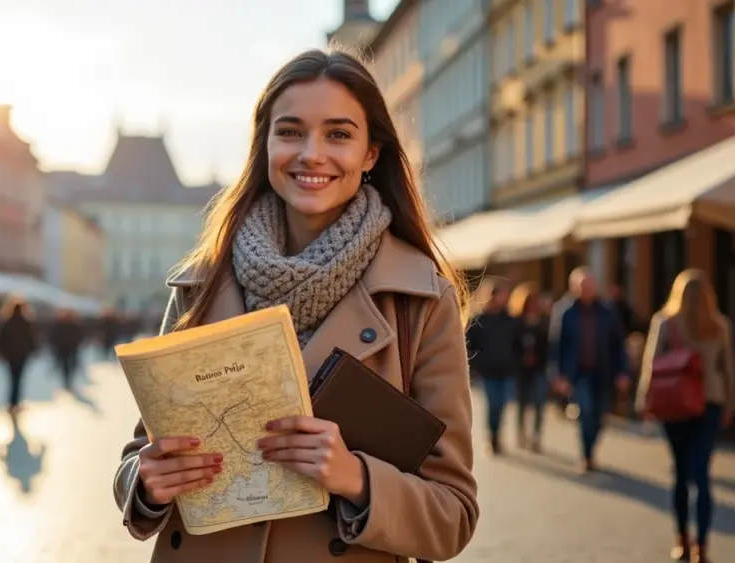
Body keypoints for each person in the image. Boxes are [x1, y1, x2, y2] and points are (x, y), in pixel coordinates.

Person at [111, 48, 478, 563]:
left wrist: (355, 477)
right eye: (290, 132)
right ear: (265, 145)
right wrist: (148, 482)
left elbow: (453, 515)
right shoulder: (202, 283)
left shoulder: (421, 300)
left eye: (338, 134)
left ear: (371, 154)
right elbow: (138, 456)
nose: (311, 154)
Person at [636, 269, 734, 563]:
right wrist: (729, 405)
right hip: (710, 403)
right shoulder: (719, 325)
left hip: (675, 403)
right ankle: (702, 545)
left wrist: (644, 400)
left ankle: (681, 540)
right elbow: (728, 369)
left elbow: (651, 364)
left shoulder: (665, 322)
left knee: (680, 473)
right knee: (702, 475)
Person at [549, 267, 629, 473]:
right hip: (578, 374)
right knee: (586, 411)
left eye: (591, 285)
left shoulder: (607, 311)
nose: (588, 289)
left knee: (600, 415)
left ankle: (591, 448)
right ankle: (586, 455)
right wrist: (558, 375)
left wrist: (622, 372)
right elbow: (556, 345)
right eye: (583, 285)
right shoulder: (565, 312)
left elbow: (618, 344)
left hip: (603, 372)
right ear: (574, 287)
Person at [466, 281, 519, 455]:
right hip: (487, 372)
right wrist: (477, 364)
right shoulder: (479, 320)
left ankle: (497, 435)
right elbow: (469, 345)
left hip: (506, 370)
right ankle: (492, 437)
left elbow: (516, 343)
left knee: (502, 405)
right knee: (493, 405)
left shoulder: (510, 319)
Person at [507, 282, 550, 453]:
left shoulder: (544, 322)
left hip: (539, 369)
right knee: (522, 403)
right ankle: (521, 434)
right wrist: (520, 359)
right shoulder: (517, 323)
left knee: (539, 402)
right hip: (521, 370)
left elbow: (548, 346)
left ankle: (536, 437)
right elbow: (511, 346)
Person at [0, 296, 38, 414]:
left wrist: (1, 352)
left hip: (10, 355)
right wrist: (32, 350)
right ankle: (15, 402)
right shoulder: (25, 322)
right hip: (21, 355)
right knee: (18, 379)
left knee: (12, 378)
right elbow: (31, 340)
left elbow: (0, 339)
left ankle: (12, 402)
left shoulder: (7, 322)